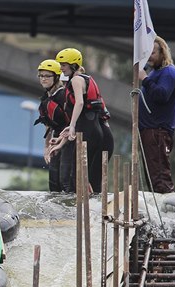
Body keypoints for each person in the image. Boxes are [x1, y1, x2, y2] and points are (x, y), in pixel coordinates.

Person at [54, 47, 112, 193]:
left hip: (87, 132)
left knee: (77, 177)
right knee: (89, 178)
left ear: (73, 65)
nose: (61, 68)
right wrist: (63, 139)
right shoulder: (87, 78)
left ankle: (81, 211)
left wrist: (72, 125)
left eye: (64, 65)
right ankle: (94, 209)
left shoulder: (76, 79)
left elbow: (79, 102)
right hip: (94, 130)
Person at [138, 36, 175, 193]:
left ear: (163, 53)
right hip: (150, 131)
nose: (149, 56)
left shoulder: (169, 72)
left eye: (153, 53)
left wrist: (145, 79)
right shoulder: (155, 72)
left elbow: (162, 95)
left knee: (160, 178)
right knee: (152, 176)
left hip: (157, 131)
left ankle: (166, 214)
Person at [33, 59, 71, 192]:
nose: (43, 79)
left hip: (68, 139)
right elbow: (48, 124)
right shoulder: (47, 97)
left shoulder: (62, 95)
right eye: (41, 76)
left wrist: (61, 142)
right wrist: (46, 146)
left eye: (47, 76)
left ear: (56, 77)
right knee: (53, 181)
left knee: (64, 181)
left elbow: (71, 122)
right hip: (56, 139)